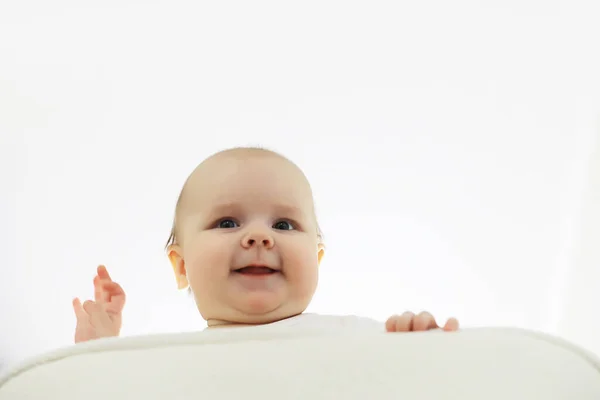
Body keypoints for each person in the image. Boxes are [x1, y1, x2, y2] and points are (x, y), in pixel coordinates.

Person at [72, 147, 459, 343]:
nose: (259, 237)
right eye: (227, 222)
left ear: (317, 259)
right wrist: (98, 353)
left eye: (284, 224)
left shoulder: (354, 337)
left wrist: (417, 346)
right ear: (182, 267)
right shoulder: (169, 361)